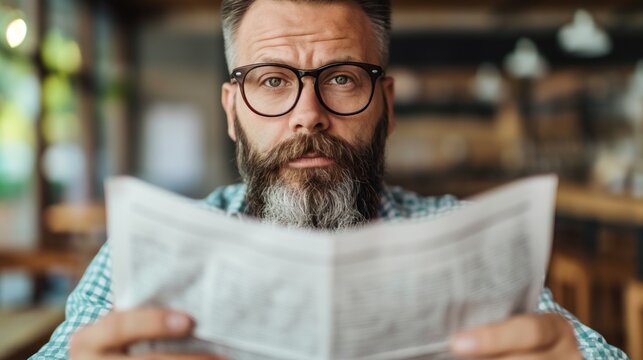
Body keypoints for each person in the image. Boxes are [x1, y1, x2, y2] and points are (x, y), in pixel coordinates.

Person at [32, 0, 627, 359]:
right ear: (232, 111)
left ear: (386, 105)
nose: (307, 113)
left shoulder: (463, 239)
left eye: (341, 78)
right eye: (271, 80)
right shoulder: (151, 255)